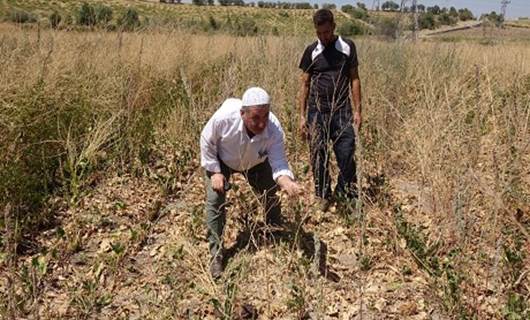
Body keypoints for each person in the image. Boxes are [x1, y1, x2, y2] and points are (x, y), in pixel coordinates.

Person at [200, 87, 301, 278]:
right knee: (215, 201)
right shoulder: (224, 119)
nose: (262, 123)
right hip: (222, 160)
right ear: (242, 114)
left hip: (255, 162)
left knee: (270, 192)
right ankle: (216, 255)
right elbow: (207, 141)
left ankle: (274, 230)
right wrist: (215, 172)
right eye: (255, 118)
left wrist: (286, 182)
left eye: (265, 116)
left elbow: (278, 161)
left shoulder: (274, 128)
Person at [298, 8, 362, 211]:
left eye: (326, 32)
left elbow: (354, 79)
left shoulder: (347, 47)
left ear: (334, 27)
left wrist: (358, 111)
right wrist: (302, 116)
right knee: (318, 155)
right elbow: (305, 84)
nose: (323, 37)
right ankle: (323, 195)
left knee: (346, 153)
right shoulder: (311, 51)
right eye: (319, 33)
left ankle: (346, 194)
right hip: (317, 112)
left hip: (342, 110)